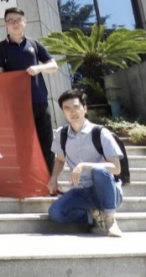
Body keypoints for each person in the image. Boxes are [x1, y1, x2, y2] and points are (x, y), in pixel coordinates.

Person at [47, 89, 124, 237]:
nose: (72, 112)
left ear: (85, 108)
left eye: (76, 107)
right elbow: (60, 159)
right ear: (63, 113)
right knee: (56, 213)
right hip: (81, 191)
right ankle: (93, 216)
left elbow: (116, 168)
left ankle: (110, 219)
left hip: (105, 191)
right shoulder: (62, 135)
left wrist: (84, 166)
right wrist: (54, 177)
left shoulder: (100, 133)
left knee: (99, 171)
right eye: (67, 108)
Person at [0, 7, 58, 171]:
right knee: (23, 143)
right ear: (5, 25)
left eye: (18, 20)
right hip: (17, 104)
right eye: (10, 21)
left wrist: (39, 68)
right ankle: (27, 179)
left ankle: (50, 180)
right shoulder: (0, 48)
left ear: (24, 22)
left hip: (39, 100)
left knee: (46, 143)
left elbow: (53, 65)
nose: (15, 24)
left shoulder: (34, 44)